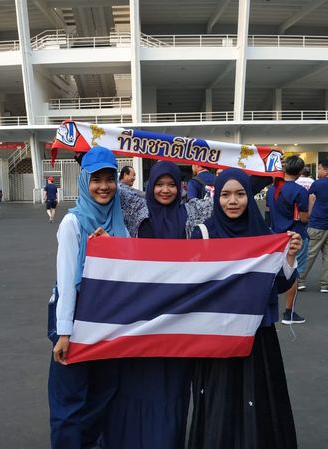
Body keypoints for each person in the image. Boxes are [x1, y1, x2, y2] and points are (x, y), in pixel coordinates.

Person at [188, 168, 302, 449]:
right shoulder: (203, 233)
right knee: (220, 395)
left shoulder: (264, 234)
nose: (233, 201)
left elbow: (279, 285)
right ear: (216, 198)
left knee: (258, 394)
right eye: (225, 195)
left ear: (249, 197)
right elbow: (188, 283)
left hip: (256, 332)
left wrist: (289, 256)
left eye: (240, 194)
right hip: (215, 334)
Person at [105, 161, 196, 449]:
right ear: (150, 185)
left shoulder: (193, 213)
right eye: (159, 184)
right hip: (139, 319)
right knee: (134, 384)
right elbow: (107, 184)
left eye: (172, 184)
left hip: (177, 321)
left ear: (181, 186)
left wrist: (260, 160)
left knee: (172, 389)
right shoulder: (136, 210)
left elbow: (243, 192)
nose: (165, 190)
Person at [48, 147, 129, 449]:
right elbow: (67, 281)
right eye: (96, 180)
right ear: (84, 182)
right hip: (74, 319)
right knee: (70, 401)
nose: (104, 186)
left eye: (110, 179)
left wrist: (114, 249)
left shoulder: (119, 224)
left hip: (107, 321)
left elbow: (130, 272)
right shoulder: (73, 223)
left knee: (102, 394)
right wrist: (65, 333)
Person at [266, 155, 309, 324]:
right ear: (300, 171)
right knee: (293, 273)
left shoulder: (272, 189)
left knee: (274, 271)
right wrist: (311, 203)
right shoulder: (300, 191)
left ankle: (271, 305)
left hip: (275, 235)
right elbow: (304, 218)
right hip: (295, 235)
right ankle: (289, 312)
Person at [298, 159, 328, 293]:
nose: (318, 171)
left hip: (317, 224)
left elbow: (311, 199)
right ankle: (325, 284)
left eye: (319, 168)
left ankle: (300, 281)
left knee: (309, 254)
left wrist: (309, 214)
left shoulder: (317, 184)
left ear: (326, 170)